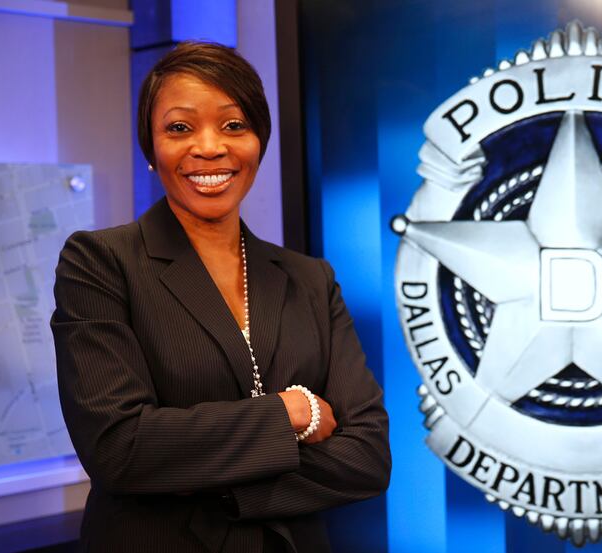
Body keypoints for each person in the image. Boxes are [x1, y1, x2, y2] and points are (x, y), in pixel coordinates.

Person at [51, 41, 391, 553]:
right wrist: (290, 412)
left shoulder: (310, 278)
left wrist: (214, 481)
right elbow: (120, 448)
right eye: (179, 127)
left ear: (259, 140)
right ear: (151, 147)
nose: (209, 148)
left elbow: (367, 457)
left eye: (234, 125)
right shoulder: (101, 263)